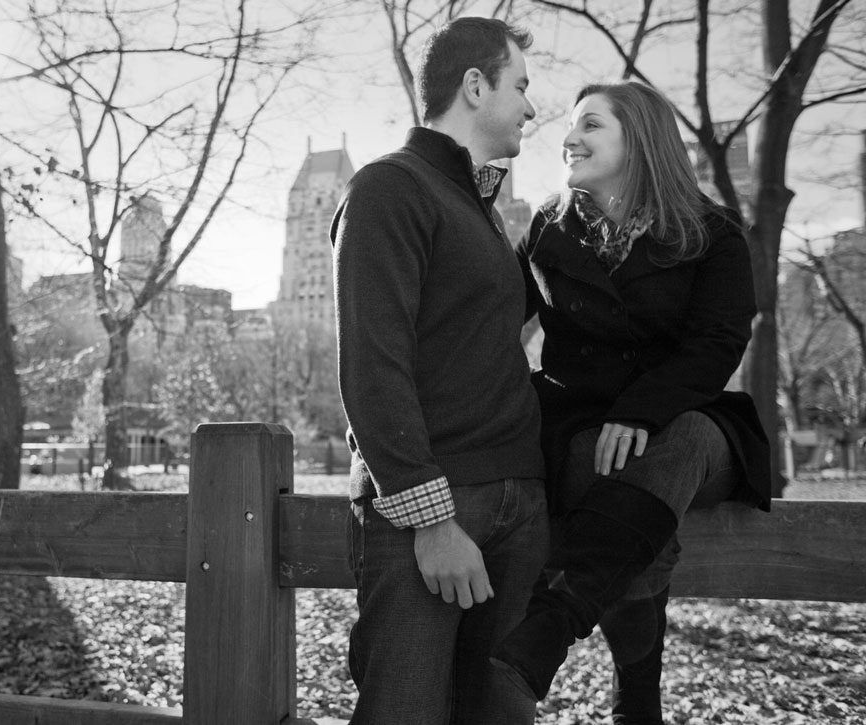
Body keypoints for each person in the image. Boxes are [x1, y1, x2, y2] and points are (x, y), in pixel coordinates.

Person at [489, 80, 772, 723]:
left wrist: (641, 410)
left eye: (591, 125)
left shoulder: (713, 232)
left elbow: (719, 341)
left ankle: (559, 614)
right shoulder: (549, 229)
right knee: (610, 468)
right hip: (583, 434)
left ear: (640, 139)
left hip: (692, 427)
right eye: (571, 126)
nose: (569, 138)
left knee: (680, 438)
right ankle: (636, 701)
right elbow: (496, 319)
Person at [331, 17, 548, 724]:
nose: (531, 107)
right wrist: (432, 522)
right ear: (475, 86)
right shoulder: (390, 188)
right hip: (432, 509)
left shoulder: (483, 213)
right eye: (521, 86)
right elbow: (373, 365)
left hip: (518, 507)